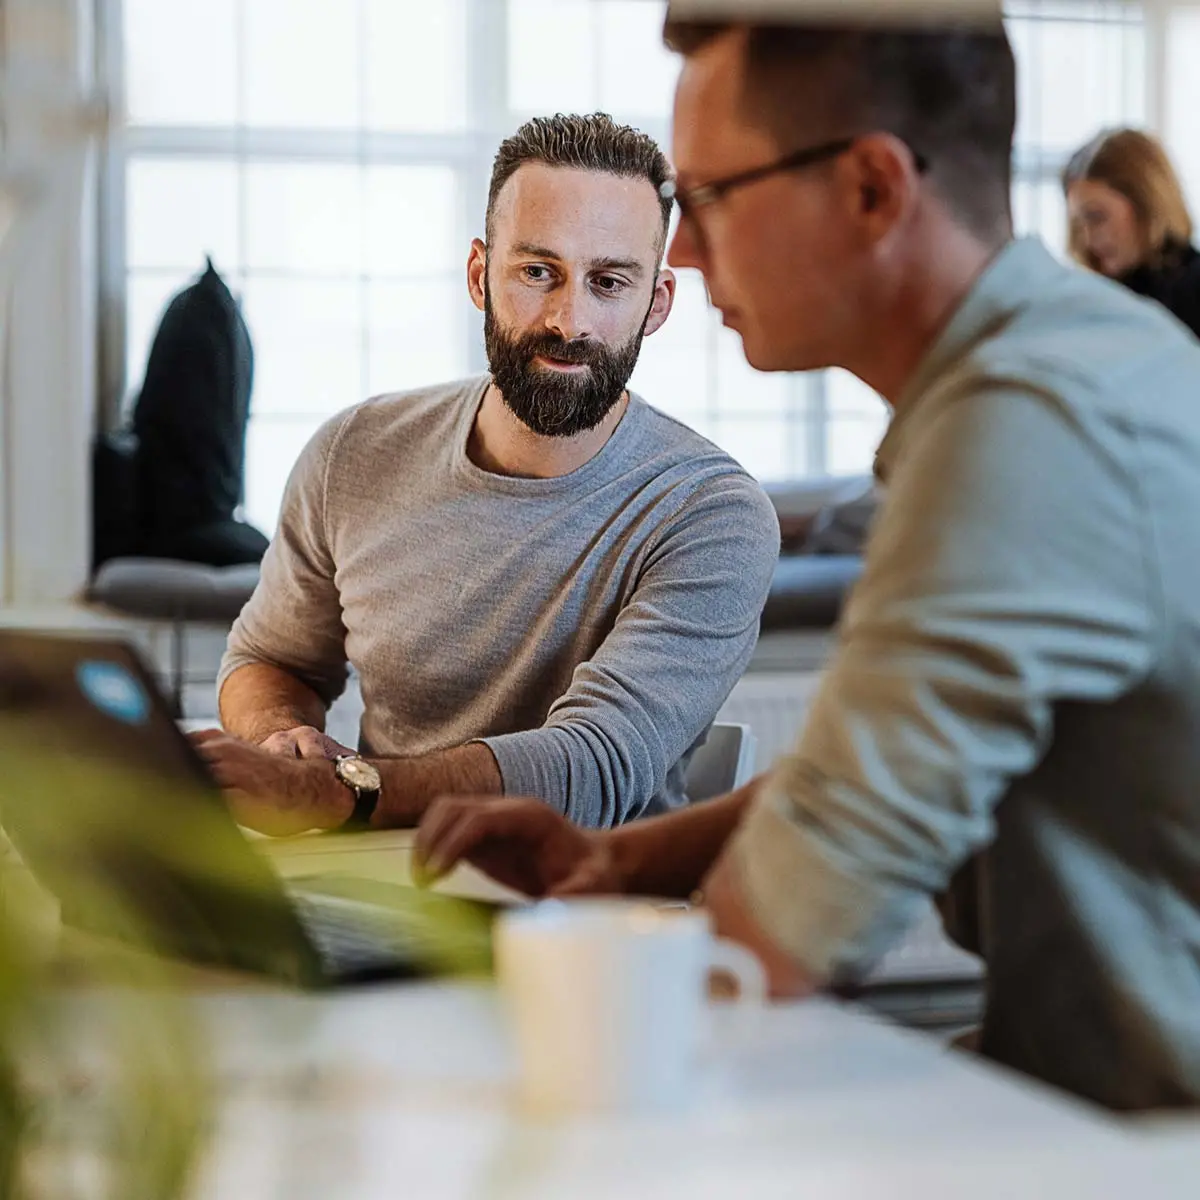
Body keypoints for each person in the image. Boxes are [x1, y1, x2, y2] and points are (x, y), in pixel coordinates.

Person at [415, 11, 1200, 1111]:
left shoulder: (1030, 429)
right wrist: (622, 864)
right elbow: (874, 768)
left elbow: (783, 938)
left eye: (713, 198)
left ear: (874, 190)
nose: (677, 255)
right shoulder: (1077, 361)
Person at [193, 112, 780, 837]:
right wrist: (279, 739)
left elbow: (593, 766)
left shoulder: (712, 513)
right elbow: (271, 659)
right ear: (480, 275)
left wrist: (334, 792)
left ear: (655, 304)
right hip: (377, 884)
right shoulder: (353, 452)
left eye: (609, 282)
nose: (570, 321)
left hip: (589, 912)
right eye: (538, 272)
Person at [1063, 128, 1200, 339]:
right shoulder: (1100, 300)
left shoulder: (1191, 291)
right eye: (1079, 224)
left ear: (1146, 204)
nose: (1088, 239)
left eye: (1097, 217)